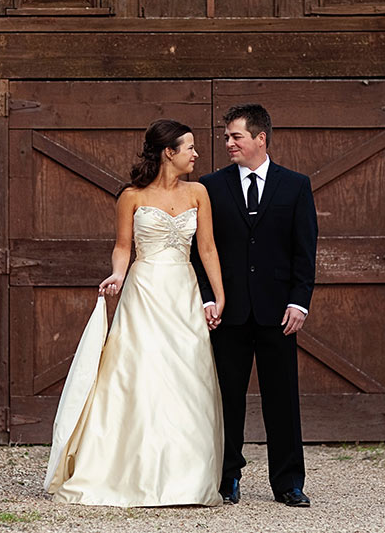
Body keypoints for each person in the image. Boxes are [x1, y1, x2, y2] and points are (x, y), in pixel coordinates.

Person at [44, 119, 227, 507]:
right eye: (189, 147)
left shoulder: (199, 193)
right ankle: (132, 472)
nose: (196, 154)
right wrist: (116, 275)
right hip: (143, 291)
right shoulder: (131, 196)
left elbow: (207, 249)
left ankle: (186, 480)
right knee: (138, 376)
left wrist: (219, 295)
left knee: (188, 379)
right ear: (168, 152)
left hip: (183, 292)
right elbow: (123, 246)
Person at [192, 103, 318, 508]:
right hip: (228, 314)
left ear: (260, 138)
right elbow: (200, 250)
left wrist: (299, 302)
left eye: (235, 136)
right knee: (226, 398)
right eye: (226, 136)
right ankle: (228, 477)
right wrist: (209, 298)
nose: (228, 143)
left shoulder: (296, 186)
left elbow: (305, 250)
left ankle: (288, 483)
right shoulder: (210, 186)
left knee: (282, 399)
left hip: (278, 312)